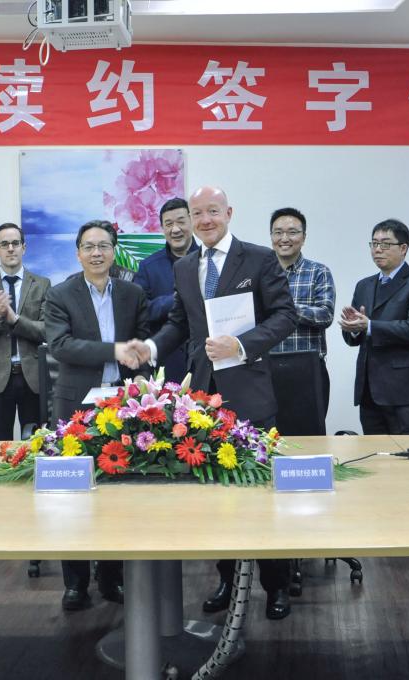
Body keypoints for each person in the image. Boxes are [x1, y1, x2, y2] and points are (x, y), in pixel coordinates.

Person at [131, 186, 297, 621]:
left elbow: (285, 315)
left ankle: (277, 584)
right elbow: (180, 322)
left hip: (251, 391)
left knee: (263, 493)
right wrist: (152, 347)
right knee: (218, 494)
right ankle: (227, 579)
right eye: (197, 213)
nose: (204, 220)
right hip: (204, 397)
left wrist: (240, 345)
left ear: (229, 212)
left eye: (212, 211)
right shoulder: (186, 266)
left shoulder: (258, 258)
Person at [42, 220, 150, 611]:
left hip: (122, 404)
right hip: (76, 404)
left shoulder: (133, 293)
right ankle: (75, 583)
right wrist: (113, 350)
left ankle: (111, 578)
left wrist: (141, 368)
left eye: (103, 246)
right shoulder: (60, 294)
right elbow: (61, 345)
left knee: (116, 491)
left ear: (114, 251)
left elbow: (142, 341)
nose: (96, 253)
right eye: (89, 247)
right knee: (72, 494)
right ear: (78, 253)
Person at [340, 219, 409, 435]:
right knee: (375, 453)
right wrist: (353, 328)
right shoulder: (364, 285)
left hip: (406, 392)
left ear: (403, 248)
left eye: (385, 244)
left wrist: (370, 326)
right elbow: (356, 337)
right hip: (369, 391)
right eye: (374, 244)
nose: (377, 249)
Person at [0, 223, 50, 441]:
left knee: (36, 442)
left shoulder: (42, 284)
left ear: (24, 247)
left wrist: (15, 320)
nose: (11, 248)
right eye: (4, 244)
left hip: (33, 376)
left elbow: (46, 331)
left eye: (15, 243)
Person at [270, 207, 335, 435]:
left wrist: (287, 309)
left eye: (292, 232)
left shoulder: (319, 272)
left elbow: (325, 314)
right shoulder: (261, 272)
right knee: (267, 439)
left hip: (308, 369)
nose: (284, 238)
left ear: (304, 237)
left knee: (310, 438)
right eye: (278, 232)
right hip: (267, 368)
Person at [132, 197, 199, 382]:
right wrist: (176, 300)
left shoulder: (208, 261)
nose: (175, 229)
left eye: (181, 222)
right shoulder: (148, 267)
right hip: (167, 362)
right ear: (162, 228)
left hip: (204, 361)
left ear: (192, 221)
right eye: (168, 224)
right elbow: (139, 310)